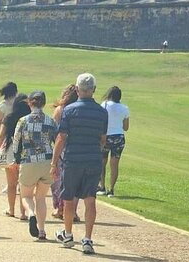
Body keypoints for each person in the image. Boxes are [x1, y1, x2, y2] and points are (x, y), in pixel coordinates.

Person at [51, 73, 108, 255]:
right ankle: (88, 239)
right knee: (90, 200)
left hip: (73, 159)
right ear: (94, 90)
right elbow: (102, 139)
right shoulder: (102, 112)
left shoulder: (69, 110)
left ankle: (68, 234)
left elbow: (61, 138)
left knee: (68, 199)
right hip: (93, 159)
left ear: (77, 89)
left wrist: (54, 162)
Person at [13, 91, 57, 241]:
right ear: (44, 103)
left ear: (29, 103)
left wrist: (16, 158)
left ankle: (31, 214)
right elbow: (57, 142)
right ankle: (42, 230)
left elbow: (16, 142)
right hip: (47, 161)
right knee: (41, 198)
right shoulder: (51, 121)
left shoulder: (23, 121)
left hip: (29, 160)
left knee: (26, 195)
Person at [0, 94, 30, 220]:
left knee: (11, 184)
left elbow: (0, 136)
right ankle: (23, 213)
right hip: (25, 151)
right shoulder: (28, 119)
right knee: (23, 184)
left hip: (10, 150)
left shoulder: (9, 118)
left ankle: (11, 209)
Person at [50, 84, 79, 220]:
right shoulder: (78, 110)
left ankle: (60, 208)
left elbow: (54, 131)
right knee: (74, 181)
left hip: (61, 148)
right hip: (75, 148)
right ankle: (72, 210)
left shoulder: (59, 110)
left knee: (58, 180)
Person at [98, 86, 130, 198]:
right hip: (119, 138)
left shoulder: (104, 105)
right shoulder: (125, 108)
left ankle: (101, 186)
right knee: (114, 165)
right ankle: (111, 190)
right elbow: (126, 127)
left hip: (106, 137)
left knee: (102, 162)